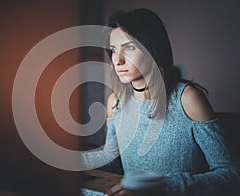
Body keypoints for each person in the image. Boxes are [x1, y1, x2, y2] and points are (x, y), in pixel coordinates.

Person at [82, 8, 240, 196]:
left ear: (153, 49)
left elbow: (231, 176)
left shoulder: (188, 99)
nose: (117, 60)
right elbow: (110, 157)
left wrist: (166, 185)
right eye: (114, 50)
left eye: (129, 47)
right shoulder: (114, 102)